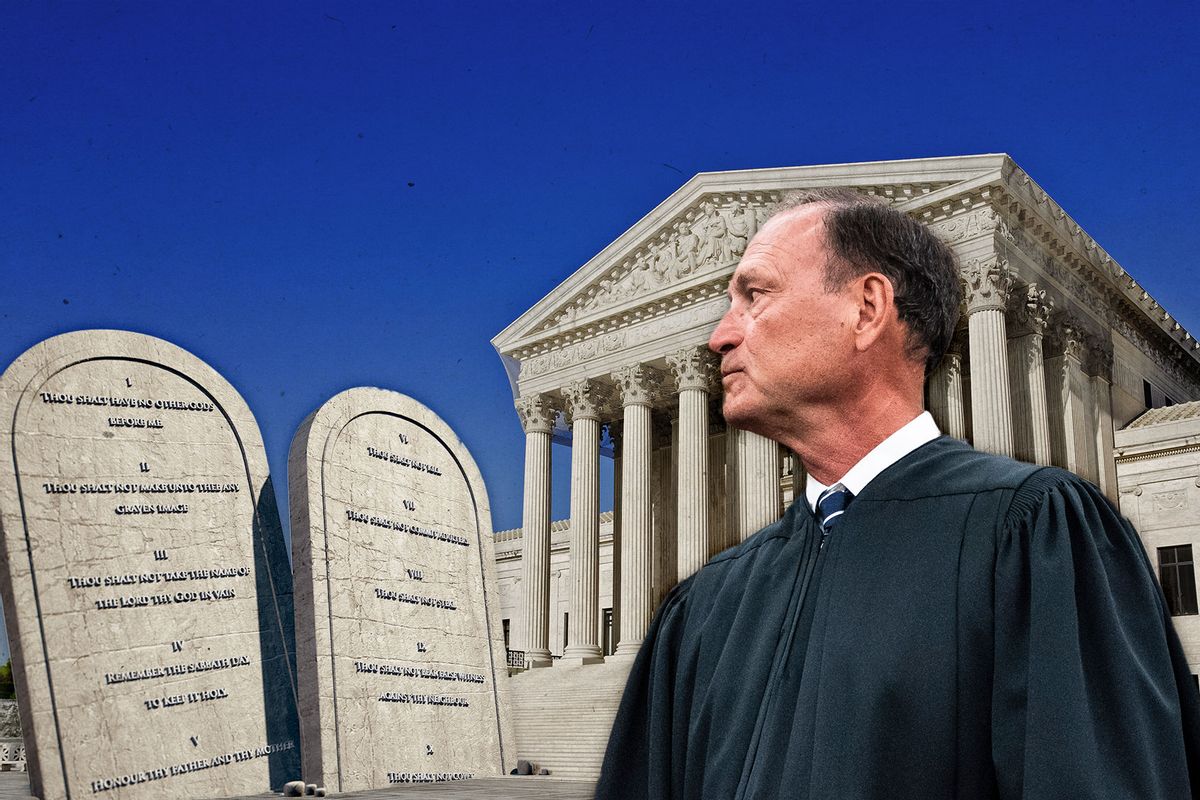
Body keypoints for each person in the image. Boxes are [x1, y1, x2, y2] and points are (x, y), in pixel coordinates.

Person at [595, 189, 1200, 799]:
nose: (719, 336)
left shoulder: (1031, 531)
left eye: (755, 296)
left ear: (866, 308)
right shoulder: (705, 606)